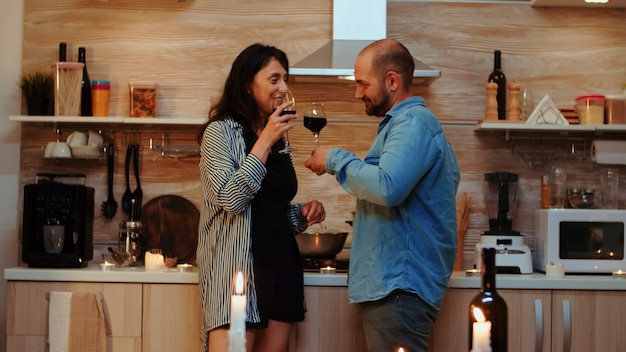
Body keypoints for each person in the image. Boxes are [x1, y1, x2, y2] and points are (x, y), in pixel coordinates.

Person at [304, 38, 460, 352]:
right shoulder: (401, 126)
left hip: (400, 287)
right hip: (393, 287)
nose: (357, 92)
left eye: (363, 83)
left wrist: (335, 158)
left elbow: (387, 187)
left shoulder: (413, 124)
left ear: (392, 80)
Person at [197, 43, 326, 352]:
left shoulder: (278, 136)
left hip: (281, 268)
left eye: (285, 79)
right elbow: (230, 199)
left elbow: (268, 210)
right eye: (274, 79)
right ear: (246, 83)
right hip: (238, 273)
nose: (283, 87)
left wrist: (300, 215)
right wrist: (265, 140)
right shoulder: (220, 132)